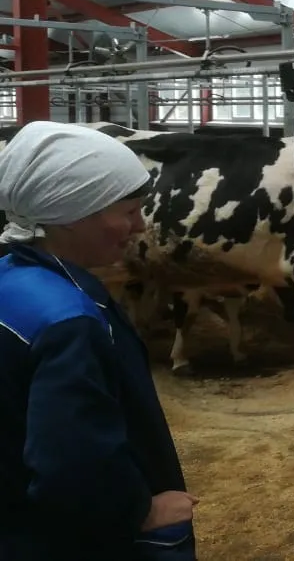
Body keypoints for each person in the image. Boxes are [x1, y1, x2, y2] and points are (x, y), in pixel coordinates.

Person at [0, 121, 198, 561]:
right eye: (128, 211)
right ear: (72, 212)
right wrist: (138, 510)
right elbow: (71, 461)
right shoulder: (69, 320)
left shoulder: (9, 277)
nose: (140, 226)